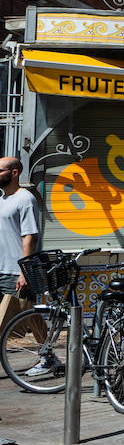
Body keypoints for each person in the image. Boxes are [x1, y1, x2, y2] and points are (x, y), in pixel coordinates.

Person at [0, 157, 44, 371]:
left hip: (15, 271)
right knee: (33, 314)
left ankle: (47, 355)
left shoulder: (25, 199)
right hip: (1, 268)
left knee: (6, 321)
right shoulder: (2, 199)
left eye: (0, 171)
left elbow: (29, 237)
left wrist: (24, 271)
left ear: (14, 172)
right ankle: (49, 355)